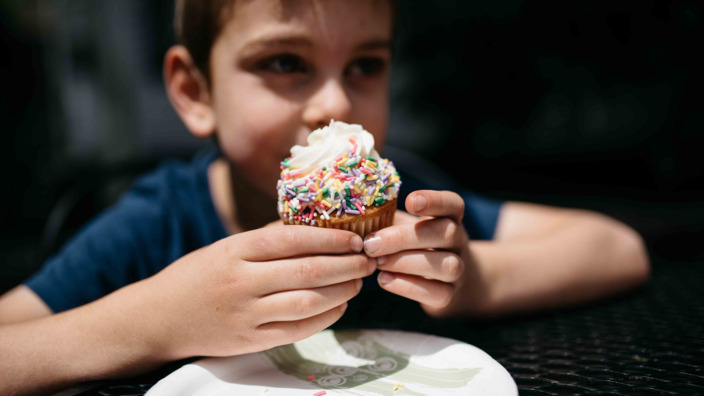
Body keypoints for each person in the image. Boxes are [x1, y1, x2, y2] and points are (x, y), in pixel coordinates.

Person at [0, 0, 650, 394]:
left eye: (365, 65)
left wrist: (469, 277)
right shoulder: (154, 222)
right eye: (285, 62)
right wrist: (154, 321)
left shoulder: (405, 199)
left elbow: (616, 248)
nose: (337, 103)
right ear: (196, 92)